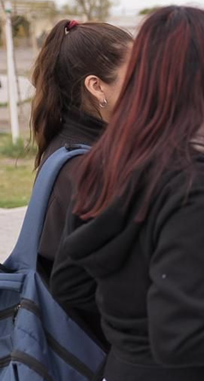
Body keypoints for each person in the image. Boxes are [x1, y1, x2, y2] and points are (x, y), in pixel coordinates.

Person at [50, 6, 204, 381]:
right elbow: (178, 334)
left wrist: (134, 327)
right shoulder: (194, 180)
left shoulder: (107, 159)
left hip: (126, 366)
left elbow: (71, 281)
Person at [30, 19, 132, 347]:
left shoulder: (65, 145)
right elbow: (79, 284)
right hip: (95, 350)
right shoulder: (89, 164)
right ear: (96, 86)